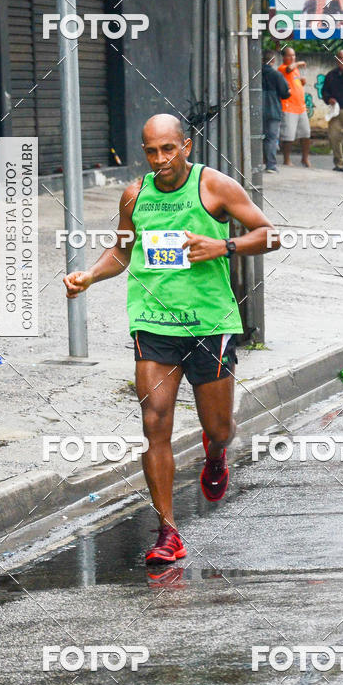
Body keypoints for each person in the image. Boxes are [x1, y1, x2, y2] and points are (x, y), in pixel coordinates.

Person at [63, 114, 280, 565]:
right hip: (153, 322)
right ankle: (168, 532)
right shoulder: (135, 194)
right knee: (153, 422)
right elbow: (122, 249)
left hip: (209, 323)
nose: (160, 160)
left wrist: (223, 246)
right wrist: (90, 275)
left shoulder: (214, 187)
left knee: (218, 427)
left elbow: (270, 234)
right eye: (151, 151)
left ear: (186, 146)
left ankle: (215, 453)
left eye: (168, 149)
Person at [278, 46, 311, 167]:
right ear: (284, 57)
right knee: (288, 135)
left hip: (301, 107)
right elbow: (288, 70)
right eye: (289, 56)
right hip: (288, 106)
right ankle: (286, 159)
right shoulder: (282, 68)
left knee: (306, 133)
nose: (292, 58)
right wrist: (298, 63)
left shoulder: (296, 70)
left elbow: (294, 82)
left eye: (294, 56)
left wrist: (301, 82)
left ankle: (305, 158)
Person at [262, 48, 290, 173]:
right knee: (271, 138)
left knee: (257, 137)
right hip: (273, 110)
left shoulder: (254, 73)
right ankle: (270, 165)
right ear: (273, 61)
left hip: (257, 110)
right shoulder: (277, 75)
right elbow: (285, 93)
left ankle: (255, 163)